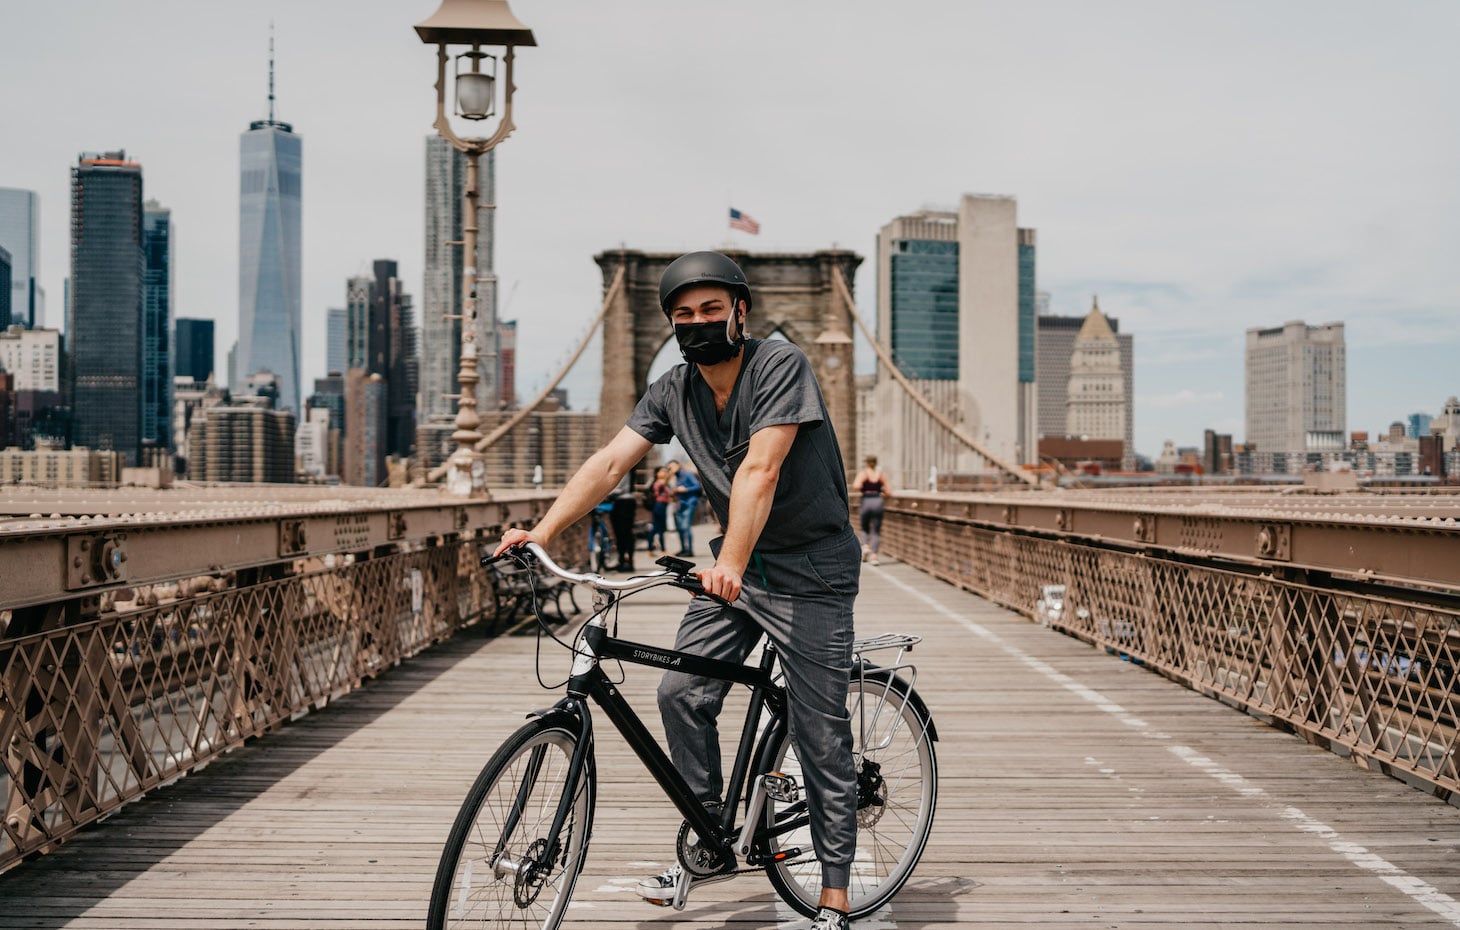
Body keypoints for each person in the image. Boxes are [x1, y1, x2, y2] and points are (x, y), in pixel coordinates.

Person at [494, 251, 860, 930]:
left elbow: (761, 468)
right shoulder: (672, 389)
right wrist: (539, 531)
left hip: (810, 571)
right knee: (680, 691)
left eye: (710, 311)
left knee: (819, 733)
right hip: (736, 567)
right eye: (683, 316)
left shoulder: (781, 365)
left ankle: (834, 896)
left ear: (740, 313)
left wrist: (734, 566)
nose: (697, 324)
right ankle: (710, 832)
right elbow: (610, 463)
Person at [854, 455, 890, 565]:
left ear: (866, 463)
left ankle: (865, 546)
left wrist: (864, 488)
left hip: (866, 500)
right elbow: (889, 491)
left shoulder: (863, 474)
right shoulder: (880, 475)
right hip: (878, 500)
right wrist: (881, 491)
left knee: (865, 527)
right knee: (876, 530)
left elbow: (856, 485)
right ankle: (874, 556)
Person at [668, 459, 702, 557]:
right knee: (680, 528)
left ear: (678, 465)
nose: (671, 469)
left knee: (686, 527)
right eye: (669, 468)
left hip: (690, 502)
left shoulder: (687, 474)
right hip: (680, 504)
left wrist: (685, 489)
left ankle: (689, 550)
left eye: (673, 466)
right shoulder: (675, 478)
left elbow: (697, 486)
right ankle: (683, 549)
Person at [648, 466, 672, 557]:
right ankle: (662, 550)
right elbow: (665, 481)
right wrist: (671, 472)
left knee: (657, 528)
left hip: (662, 506)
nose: (664, 473)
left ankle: (651, 549)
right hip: (659, 506)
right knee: (658, 528)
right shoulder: (659, 482)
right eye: (662, 471)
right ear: (656, 473)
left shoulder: (663, 483)